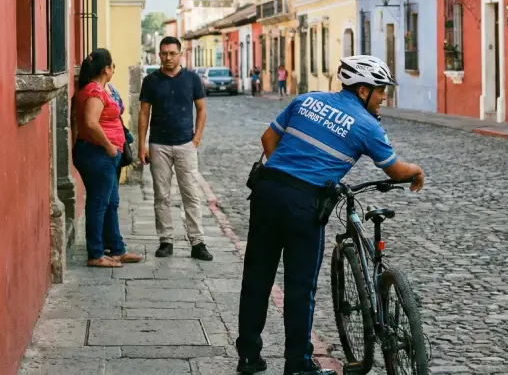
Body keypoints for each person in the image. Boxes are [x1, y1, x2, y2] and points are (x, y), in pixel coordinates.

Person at [236, 55, 425, 375]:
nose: (384, 97)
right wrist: (417, 171)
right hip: (304, 204)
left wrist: (289, 174)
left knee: (257, 278)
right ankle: (297, 364)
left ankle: (249, 358)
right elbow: (395, 169)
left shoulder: (306, 100)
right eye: (381, 91)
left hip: (268, 191)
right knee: (299, 285)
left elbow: (268, 139)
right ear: (363, 90)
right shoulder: (367, 125)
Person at [137, 36, 213, 261]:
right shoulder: (151, 81)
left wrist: (196, 139)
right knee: (161, 195)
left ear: (180, 54)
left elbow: (201, 110)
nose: (168, 57)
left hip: (185, 144)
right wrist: (142, 145)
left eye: (172, 53)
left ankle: (197, 242)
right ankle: (166, 240)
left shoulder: (191, 79)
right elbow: (143, 114)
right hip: (158, 144)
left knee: (191, 194)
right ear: (158, 55)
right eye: (164, 53)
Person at [72, 49, 142, 268]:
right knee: (99, 203)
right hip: (98, 153)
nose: (114, 70)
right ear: (106, 69)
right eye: (113, 66)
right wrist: (109, 146)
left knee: (111, 202)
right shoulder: (94, 91)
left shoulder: (102, 89)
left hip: (105, 154)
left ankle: (116, 248)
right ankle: (96, 254)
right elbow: (91, 123)